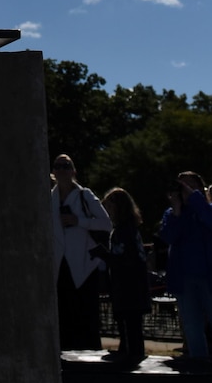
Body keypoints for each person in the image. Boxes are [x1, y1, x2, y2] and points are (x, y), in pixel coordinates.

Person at [159, 172, 212, 367]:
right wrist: (177, 210)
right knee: (191, 324)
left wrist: (195, 199)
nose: (185, 189)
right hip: (184, 277)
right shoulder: (172, 214)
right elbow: (168, 236)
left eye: (190, 185)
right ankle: (198, 362)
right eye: (182, 186)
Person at [51, 155, 109, 351]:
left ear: (73, 171)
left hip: (84, 265)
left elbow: (106, 223)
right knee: (64, 317)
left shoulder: (85, 195)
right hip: (59, 266)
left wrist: (79, 221)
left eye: (66, 166)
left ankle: (91, 360)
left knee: (87, 317)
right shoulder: (49, 198)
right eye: (58, 166)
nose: (62, 170)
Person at [102, 187, 150, 369]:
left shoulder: (124, 231)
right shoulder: (128, 229)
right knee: (130, 327)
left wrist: (104, 255)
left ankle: (131, 360)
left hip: (129, 288)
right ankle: (129, 355)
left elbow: (125, 260)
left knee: (131, 328)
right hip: (130, 287)